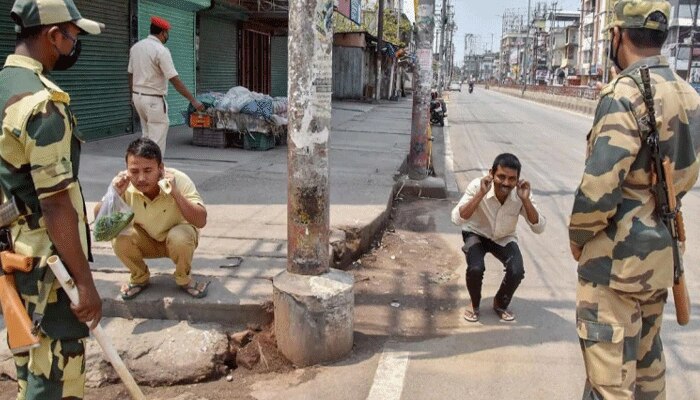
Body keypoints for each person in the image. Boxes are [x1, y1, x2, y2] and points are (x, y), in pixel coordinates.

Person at [568, 1, 700, 398]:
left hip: (615, 268)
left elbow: (597, 192)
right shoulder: (689, 95)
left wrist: (577, 237)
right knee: (647, 374)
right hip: (661, 259)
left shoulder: (623, 94)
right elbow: (687, 175)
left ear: (617, 35)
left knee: (610, 385)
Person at [0, 1, 104, 398]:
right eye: (73, 36)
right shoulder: (42, 107)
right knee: (55, 377)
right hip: (49, 267)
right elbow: (56, 203)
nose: (75, 45)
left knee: (30, 364)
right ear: (52, 35)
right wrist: (86, 284)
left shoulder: (5, 86)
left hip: (15, 254)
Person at [100, 138, 209, 300]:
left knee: (181, 236)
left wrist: (175, 193)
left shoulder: (179, 179)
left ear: (161, 168)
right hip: (146, 241)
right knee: (120, 236)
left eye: (148, 170)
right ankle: (139, 278)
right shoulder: (123, 184)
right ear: (127, 170)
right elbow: (100, 222)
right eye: (135, 171)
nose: (141, 178)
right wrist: (113, 194)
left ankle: (183, 279)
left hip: (177, 242)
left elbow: (201, 220)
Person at [451, 153, 545, 322]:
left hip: (503, 237)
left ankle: (500, 303)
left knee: (517, 270)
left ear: (517, 179)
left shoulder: (521, 194)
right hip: (476, 233)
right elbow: (457, 218)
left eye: (512, 179)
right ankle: (474, 304)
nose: (506, 183)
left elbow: (539, 227)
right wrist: (480, 194)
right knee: (475, 268)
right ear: (491, 174)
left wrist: (526, 201)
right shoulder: (477, 186)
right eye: (501, 177)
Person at [128, 15, 204, 156]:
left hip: (138, 97)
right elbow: (174, 79)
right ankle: (154, 172)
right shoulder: (161, 50)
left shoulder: (136, 48)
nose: (167, 36)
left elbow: (130, 74)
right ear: (163, 33)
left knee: (146, 136)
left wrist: (132, 97)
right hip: (154, 101)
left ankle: (143, 168)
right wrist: (193, 100)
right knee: (156, 140)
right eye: (167, 33)